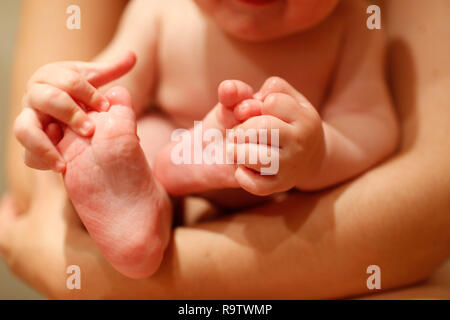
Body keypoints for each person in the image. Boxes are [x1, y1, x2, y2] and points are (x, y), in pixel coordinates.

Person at [0, 0, 449, 299]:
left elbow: (369, 121)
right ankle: (142, 215)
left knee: (309, 171)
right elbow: (111, 90)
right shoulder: (158, 8)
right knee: (130, 131)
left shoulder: (354, 20)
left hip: (285, 196)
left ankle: (192, 172)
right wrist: (68, 111)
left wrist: (316, 155)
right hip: (172, 149)